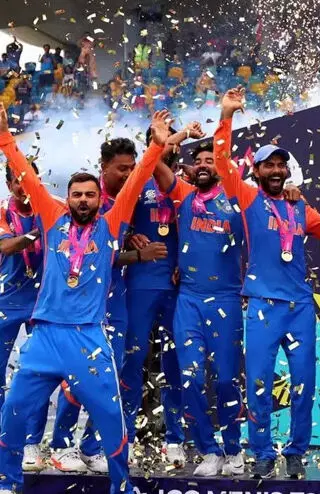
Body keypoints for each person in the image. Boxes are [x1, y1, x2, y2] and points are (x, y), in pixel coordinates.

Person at [0, 103, 169, 494]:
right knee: (13, 412)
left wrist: (156, 147)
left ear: (98, 199)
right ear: (67, 198)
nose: (82, 200)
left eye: (90, 195)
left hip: (88, 338)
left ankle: (122, 486)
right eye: (76, 194)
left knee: (110, 415)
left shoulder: (112, 223)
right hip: (45, 338)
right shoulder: (51, 218)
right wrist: (5, 137)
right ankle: (7, 482)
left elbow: (135, 180)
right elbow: (26, 174)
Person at [215, 87, 320, 479]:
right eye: (268, 165)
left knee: (304, 384)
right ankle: (263, 452)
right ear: (256, 171)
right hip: (263, 306)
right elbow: (221, 161)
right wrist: (226, 115)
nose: (275, 170)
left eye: (280, 165)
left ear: (287, 171)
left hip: (300, 307)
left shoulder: (300, 206)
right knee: (258, 384)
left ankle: (297, 451)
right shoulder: (248, 198)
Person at [40, 138, 169, 474]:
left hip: (117, 298)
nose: (127, 175)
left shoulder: (132, 199)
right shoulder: (86, 204)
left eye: (131, 168)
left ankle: (92, 446)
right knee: (75, 374)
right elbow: (90, 255)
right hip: (81, 305)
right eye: (121, 169)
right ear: (104, 168)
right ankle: (61, 445)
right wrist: (136, 254)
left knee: (113, 374)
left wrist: (164, 142)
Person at [150, 131, 247, 477]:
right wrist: (168, 138)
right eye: (199, 161)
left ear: (221, 167)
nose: (204, 165)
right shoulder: (183, 193)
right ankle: (209, 450)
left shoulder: (237, 199)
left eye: (211, 161)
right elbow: (154, 162)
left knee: (225, 380)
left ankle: (233, 449)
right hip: (188, 301)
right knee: (190, 377)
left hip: (226, 300)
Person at [120, 125, 191, 468]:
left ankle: (175, 439)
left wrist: (187, 262)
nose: (167, 148)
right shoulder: (138, 180)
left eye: (170, 142)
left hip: (177, 287)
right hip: (140, 284)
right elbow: (114, 219)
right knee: (132, 363)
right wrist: (130, 236)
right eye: (160, 142)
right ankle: (126, 437)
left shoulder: (188, 186)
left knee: (175, 365)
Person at [0, 162, 45, 471]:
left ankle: (31, 443)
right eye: (17, 180)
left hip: (41, 303)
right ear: (8, 185)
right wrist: (39, 231)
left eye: (28, 179)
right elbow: (8, 246)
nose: (23, 185)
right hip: (6, 301)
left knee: (38, 373)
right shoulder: (3, 211)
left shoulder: (50, 207)